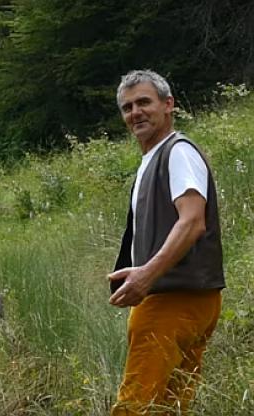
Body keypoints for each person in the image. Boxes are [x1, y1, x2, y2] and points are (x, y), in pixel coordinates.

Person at [107, 70, 225, 414]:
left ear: (168, 104)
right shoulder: (157, 157)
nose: (135, 112)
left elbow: (192, 221)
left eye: (144, 102)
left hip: (170, 300)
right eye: (127, 107)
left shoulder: (177, 152)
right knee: (169, 407)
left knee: (135, 406)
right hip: (190, 297)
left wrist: (147, 275)